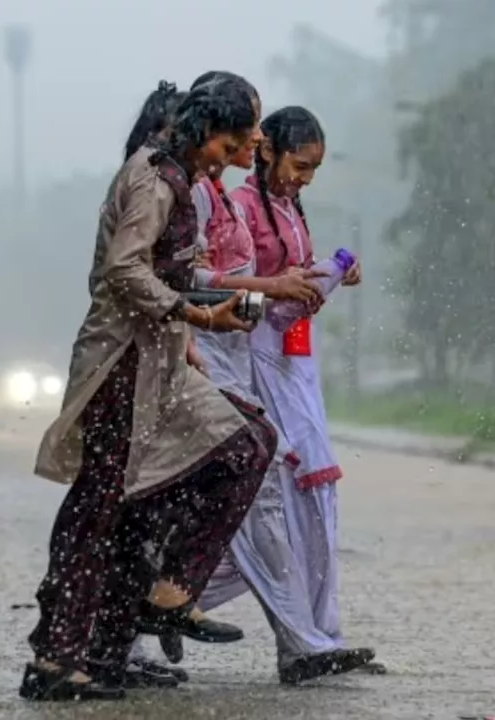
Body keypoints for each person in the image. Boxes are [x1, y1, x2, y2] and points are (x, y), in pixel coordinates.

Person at [20, 80, 277, 703]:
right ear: (202, 129)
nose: (233, 154)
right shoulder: (155, 178)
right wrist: (197, 317)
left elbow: (171, 269)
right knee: (101, 506)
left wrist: (211, 306)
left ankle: (161, 601)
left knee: (243, 445)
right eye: (230, 141)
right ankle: (57, 657)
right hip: (120, 364)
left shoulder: (182, 179)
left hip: (159, 361)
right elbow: (123, 270)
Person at [125, 77, 370, 686]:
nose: (255, 137)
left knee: (265, 501)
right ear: (219, 132)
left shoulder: (219, 196)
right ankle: (281, 636)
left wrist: (301, 281)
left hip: (247, 355)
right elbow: (167, 279)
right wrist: (256, 297)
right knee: (243, 497)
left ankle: (174, 611)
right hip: (211, 357)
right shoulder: (187, 192)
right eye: (249, 129)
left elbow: (212, 279)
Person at [229, 106, 381, 682]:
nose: (304, 179)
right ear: (265, 150)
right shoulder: (238, 209)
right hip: (253, 362)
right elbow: (224, 287)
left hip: (296, 364)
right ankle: (302, 641)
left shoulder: (291, 208)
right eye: (299, 164)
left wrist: (328, 273)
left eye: (314, 169)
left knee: (315, 504)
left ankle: (320, 635)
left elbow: (291, 285)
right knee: (271, 507)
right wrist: (282, 289)